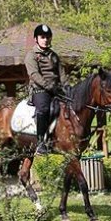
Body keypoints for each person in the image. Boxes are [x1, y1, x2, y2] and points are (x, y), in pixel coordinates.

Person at [24, 24, 68, 155]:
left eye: (48, 37)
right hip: (40, 91)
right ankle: (40, 143)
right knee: (43, 109)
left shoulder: (54, 56)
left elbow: (62, 73)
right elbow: (34, 75)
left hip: (56, 90)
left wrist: (67, 87)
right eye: (42, 37)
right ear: (36, 39)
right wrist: (49, 86)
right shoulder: (31, 55)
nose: (45, 40)